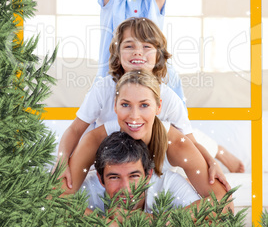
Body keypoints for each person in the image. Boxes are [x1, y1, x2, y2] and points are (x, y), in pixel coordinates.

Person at [56, 18, 243, 189]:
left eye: (147, 46)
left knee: (186, 137)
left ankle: (218, 150)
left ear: (158, 55)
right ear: (117, 53)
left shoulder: (168, 98)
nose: (138, 51)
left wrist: (211, 161)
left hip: (152, 154)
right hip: (117, 154)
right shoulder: (103, 89)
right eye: (129, 46)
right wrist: (62, 162)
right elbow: (75, 130)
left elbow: (191, 143)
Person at [61, 70, 234, 215]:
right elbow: (55, 199)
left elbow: (224, 204)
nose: (134, 115)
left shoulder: (176, 143)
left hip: (178, 140)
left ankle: (219, 151)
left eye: (144, 105)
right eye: (125, 104)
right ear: (115, 106)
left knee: (197, 139)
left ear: (159, 107)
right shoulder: (95, 140)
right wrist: (106, 224)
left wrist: (158, 223)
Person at [82, 131, 201, 221]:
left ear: (148, 175)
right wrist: (104, 225)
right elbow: (63, 209)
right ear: (100, 178)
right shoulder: (87, 186)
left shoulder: (169, 183)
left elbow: (212, 217)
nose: (126, 188)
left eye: (134, 176)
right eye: (114, 177)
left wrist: (135, 218)